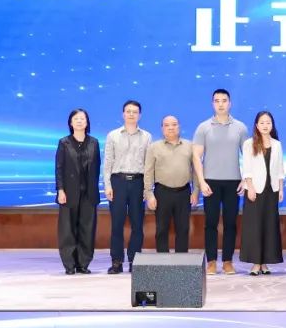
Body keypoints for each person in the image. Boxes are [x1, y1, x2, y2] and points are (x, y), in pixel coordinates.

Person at [193, 89, 249, 275]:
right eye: (217, 101)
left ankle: (227, 261)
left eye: (224, 100)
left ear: (230, 103)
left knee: (231, 223)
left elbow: (248, 155)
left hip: (233, 182)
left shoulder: (240, 127)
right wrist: (201, 182)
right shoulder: (203, 127)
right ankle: (211, 261)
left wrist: (245, 179)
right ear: (212, 104)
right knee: (210, 223)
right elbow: (196, 156)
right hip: (210, 182)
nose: (221, 104)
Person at [103, 100, 152, 274]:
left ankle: (134, 260)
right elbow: (108, 162)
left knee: (137, 224)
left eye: (135, 112)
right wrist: (107, 185)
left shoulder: (147, 136)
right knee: (117, 223)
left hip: (138, 182)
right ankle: (116, 261)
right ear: (123, 114)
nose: (131, 114)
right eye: (128, 111)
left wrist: (147, 189)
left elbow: (148, 165)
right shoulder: (113, 135)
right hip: (118, 181)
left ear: (140, 115)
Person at [144, 116, 202, 253]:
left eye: (174, 124)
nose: (171, 128)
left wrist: (195, 192)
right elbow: (148, 172)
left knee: (183, 228)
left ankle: (181, 261)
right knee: (161, 229)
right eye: (167, 125)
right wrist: (149, 194)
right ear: (162, 128)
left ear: (179, 126)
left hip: (184, 193)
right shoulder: (154, 147)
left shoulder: (189, 146)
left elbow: (196, 170)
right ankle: (162, 260)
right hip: (162, 193)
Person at [55, 108, 101, 274]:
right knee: (67, 230)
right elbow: (59, 168)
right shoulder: (64, 142)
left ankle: (83, 264)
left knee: (87, 229)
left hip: (89, 193)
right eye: (76, 119)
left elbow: (97, 168)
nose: (80, 121)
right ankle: (69, 265)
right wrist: (60, 190)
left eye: (82, 118)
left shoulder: (94, 142)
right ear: (71, 123)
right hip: (69, 193)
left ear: (87, 122)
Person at [239, 111, 284, 276]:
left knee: (269, 226)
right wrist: (249, 187)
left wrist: (281, 189)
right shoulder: (249, 143)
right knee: (255, 226)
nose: (265, 125)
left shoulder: (277, 144)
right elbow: (247, 168)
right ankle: (256, 263)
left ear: (272, 125)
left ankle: (265, 262)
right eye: (262, 122)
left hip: (271, 190)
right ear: (257, 125)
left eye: (268, 122)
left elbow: (280, 169)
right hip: (255, 190)